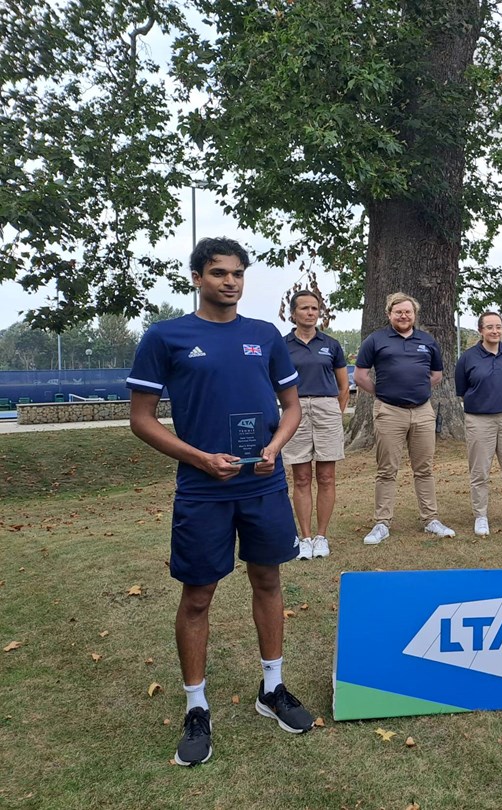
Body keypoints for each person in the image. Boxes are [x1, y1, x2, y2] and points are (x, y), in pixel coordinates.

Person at [127, 237, 314, 767]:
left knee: (270, 579)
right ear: (197, 278)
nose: (229, 282)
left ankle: (272, 688)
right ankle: (196, 706)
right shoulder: (166, 337)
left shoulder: (264, 337)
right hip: (203, 489)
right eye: (217, 273)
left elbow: (292, 406)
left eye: (236, 274)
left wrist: (275, 447)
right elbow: (141, 420)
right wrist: (199, 458)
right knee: (198, 596)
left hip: (262, 485)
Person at [354, 292, 456, 545]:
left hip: (422, 411)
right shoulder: (375, 340)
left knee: (424, 469)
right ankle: (382, 523)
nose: (403, 316)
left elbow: (436, 375)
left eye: (408, 312)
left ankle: (431, 519)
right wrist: (382, 393)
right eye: (398, 312)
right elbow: (360, 375)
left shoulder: (427, 340)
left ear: (414, 314)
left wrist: (417, 389)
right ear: (389, 314)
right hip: (389, 412)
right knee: (387, 470)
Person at [281, 290, 350, 560]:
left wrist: (335, 411)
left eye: (315, 308)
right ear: (293, 313)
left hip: (326, 409)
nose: (311, 313)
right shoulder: (283, 345)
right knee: (301, 478)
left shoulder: (330, 345)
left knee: (326, 477)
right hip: (295, 409)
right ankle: (305, 537)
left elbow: (344, 386)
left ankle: (322, 536)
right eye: (305, 308)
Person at [455, 311, 502, 535]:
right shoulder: (468, 358)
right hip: (479, 420)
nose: (495, 331)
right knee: (479, 472)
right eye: (490, 327)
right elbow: (462, 390)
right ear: (481, 330)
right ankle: (481, 516)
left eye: (498, 326)